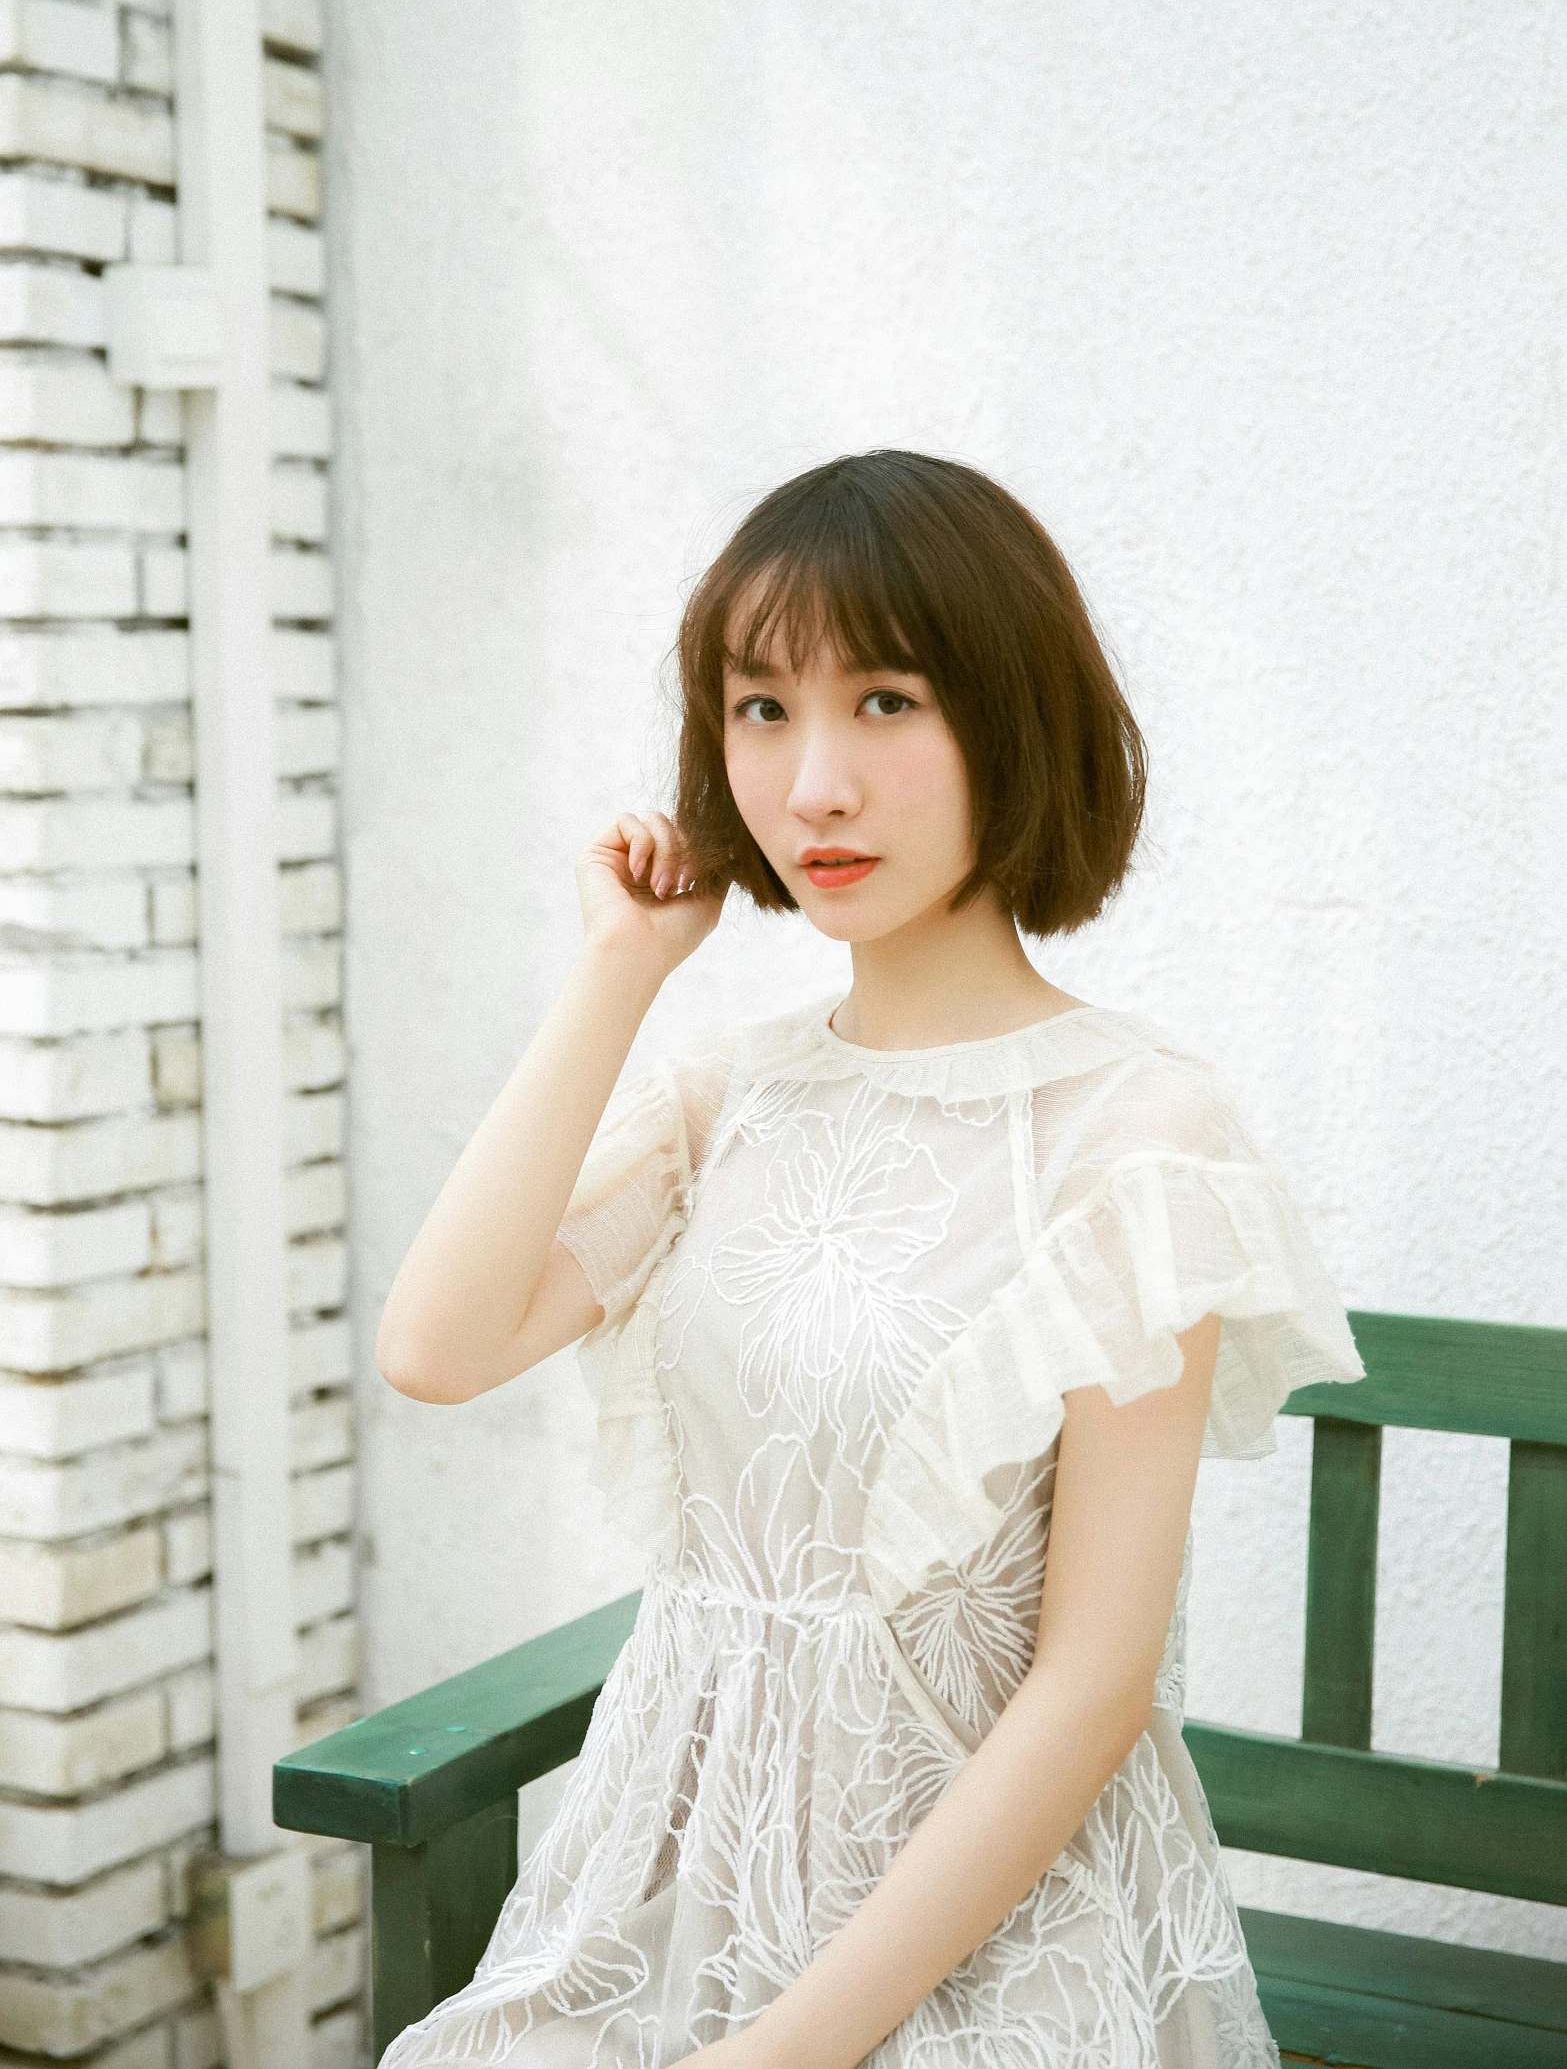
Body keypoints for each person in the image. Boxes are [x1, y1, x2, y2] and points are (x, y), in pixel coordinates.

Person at [374, 450, 1365, 2068]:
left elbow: (1093, 1683)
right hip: (674, 1885)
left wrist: (782, 2050)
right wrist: (618, 973)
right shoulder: (727, 1094)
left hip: (988, 1932)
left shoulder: (1134, 1134)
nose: (812, 783)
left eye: (886, 700)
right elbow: (439, 1344)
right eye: (759, 708)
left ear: (1010, 719)